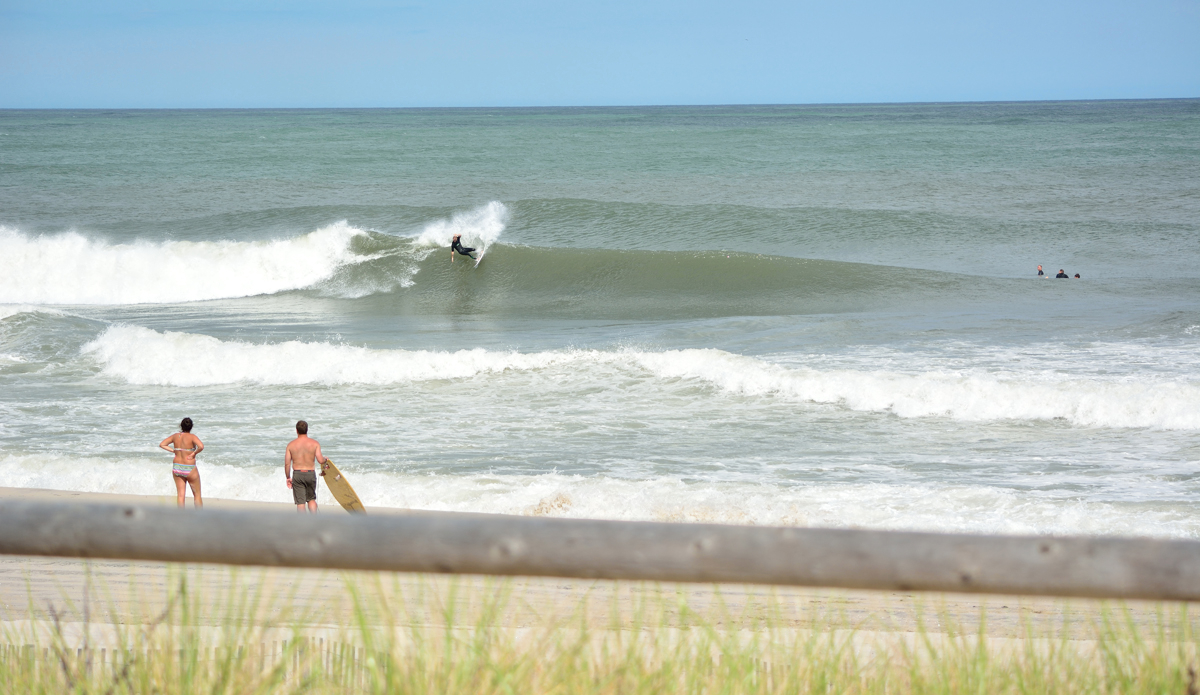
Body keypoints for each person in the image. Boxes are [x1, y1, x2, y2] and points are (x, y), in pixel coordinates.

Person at [159, 417, 204, 508]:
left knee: (180, 495)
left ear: (181, 426)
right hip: (189, 467)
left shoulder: (175, 436)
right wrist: (194, 453)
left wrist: (173, 450)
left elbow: (162, 444)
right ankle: (200, 518)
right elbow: (201, 446)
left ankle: (180, 518)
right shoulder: (192, 437)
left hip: (177, 467)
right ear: (191, 427)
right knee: (197, 495)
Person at [285, 420, 327, 513]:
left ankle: (302, 524)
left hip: (298, 475)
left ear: (296, 430)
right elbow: (320, 460)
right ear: (307, 430)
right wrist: (326, 459)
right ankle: (314, 521)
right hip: (310, 474)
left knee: (300, 503)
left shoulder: (290, 445)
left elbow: (287, 464)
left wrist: (288, 477)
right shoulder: (315, 443)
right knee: (311, 499)